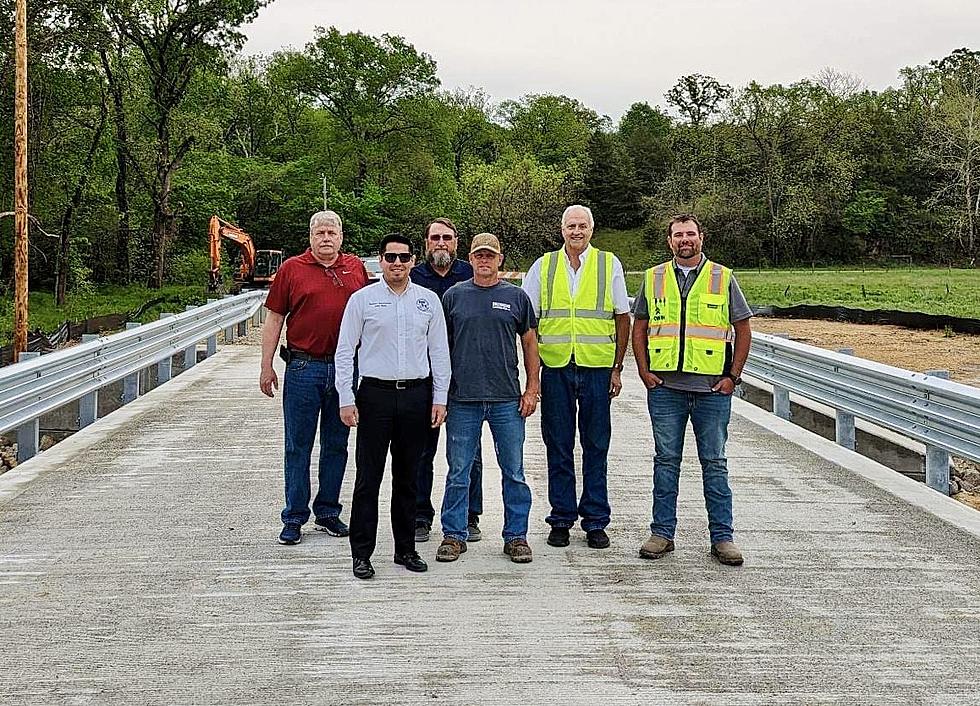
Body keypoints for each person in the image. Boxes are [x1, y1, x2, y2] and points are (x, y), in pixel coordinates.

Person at [631, 214, 753, 566]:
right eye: (678, 235)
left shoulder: (723, 277)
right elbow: (640, 325)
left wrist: (734, 376)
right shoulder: (653, 278)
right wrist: (643, 369)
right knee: (666, 462)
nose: (685, 240)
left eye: (691, 234)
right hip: (666, 388)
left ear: (702, 237)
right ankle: (662, 533)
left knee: (714, 463)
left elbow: (743, 329)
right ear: (669, 241)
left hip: (712, 389)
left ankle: (722, 538)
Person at [335, 233, 451, 580]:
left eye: (403, 258)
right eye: (390, 258)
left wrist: (440, 398)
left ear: (413, 260)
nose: (397, 264)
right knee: (368, 479)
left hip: (416, 395)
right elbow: (345, 352)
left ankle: (405, 549)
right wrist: (345, 397)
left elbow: (439, 353)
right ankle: (362, 554)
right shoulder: (362, 300)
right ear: (380, 261)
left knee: (408, 477)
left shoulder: (428, 301)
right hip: (375, 396)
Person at [522, 205, 631, 550]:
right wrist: (533, 375)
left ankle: (596, 520)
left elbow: (621, 317)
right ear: (562, 230)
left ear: (592, 230)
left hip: (597, 367)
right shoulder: (544, 265)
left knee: (596, 444)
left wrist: (617, 367)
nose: (576, 232)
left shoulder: (608, 263)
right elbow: (529, 319)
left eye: (582, 226)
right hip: (555, 367)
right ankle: (562, 518)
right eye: (571, 226)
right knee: (558, 444)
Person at [260, 210, 368, 546]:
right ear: (310, 237)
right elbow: (275, 318)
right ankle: (294, 516)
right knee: (298, 446)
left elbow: (372, 316)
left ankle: (328, 512)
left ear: (341, 236)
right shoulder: (292, 269)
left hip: (345, 370)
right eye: (320, 233)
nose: (326, 238)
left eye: (331, 233)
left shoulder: (355, 269)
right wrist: (266, 365)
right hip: (304, 368)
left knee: (337, 445)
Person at [435, 233, 540, 564]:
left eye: (490, 255)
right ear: (470, 258)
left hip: (506, 399)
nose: (484, 260)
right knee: (458, 471)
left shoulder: (517, 298)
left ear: (500, 259)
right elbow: (440, 349)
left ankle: (516, 537)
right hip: (463, 399)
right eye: (478, 255)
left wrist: (532, 388)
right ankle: (454, 535)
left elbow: (529, 344)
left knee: (514, 472)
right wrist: (442, 395)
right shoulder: (454, 297)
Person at [409, 218, 484, 544]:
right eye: (435, 237)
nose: (441, 243)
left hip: (466, 377)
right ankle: (420, 515)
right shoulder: (412, 278)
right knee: (421, 450)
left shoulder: (471, 274)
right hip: (423, 377)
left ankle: (469, 514)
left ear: (457, 242)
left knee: (470, 453)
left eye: (447, 238)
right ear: (426, 243)